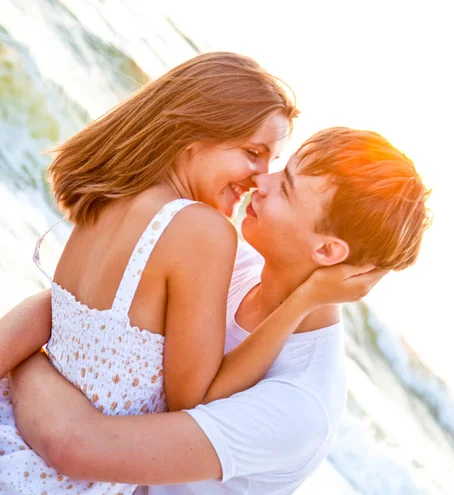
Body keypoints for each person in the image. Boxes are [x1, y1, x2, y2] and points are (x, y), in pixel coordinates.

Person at [0, 53, 377, 495]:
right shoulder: (204, 232)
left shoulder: (112, 194)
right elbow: (195, 402)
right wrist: (302, 302)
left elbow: (56, 312)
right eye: (253, 154)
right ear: (193, 136)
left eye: (271, 162)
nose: (260, 179)